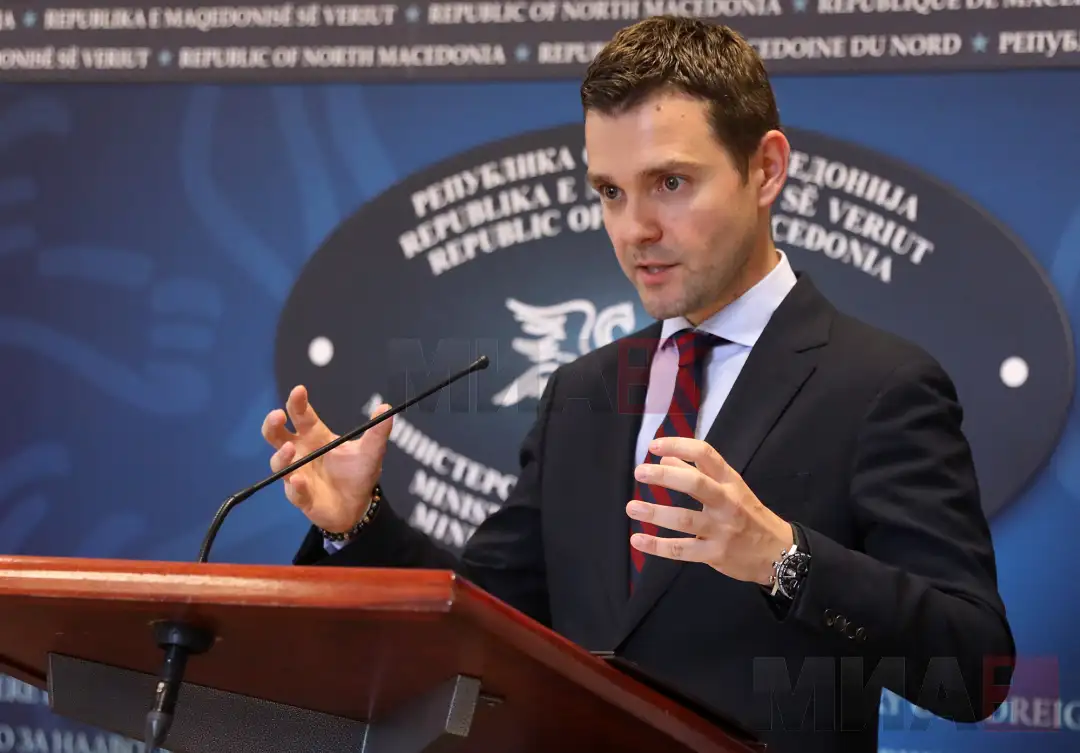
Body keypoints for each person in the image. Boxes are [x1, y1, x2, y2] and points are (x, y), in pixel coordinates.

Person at [261, 16, 1015, 753]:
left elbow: (973, 667)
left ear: (766, 169)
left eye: (670, 182)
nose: (634, 229)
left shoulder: (881, 385)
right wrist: (358, 523)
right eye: (610, 192)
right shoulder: (583, 391)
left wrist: (783, 559)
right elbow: (488, 617)